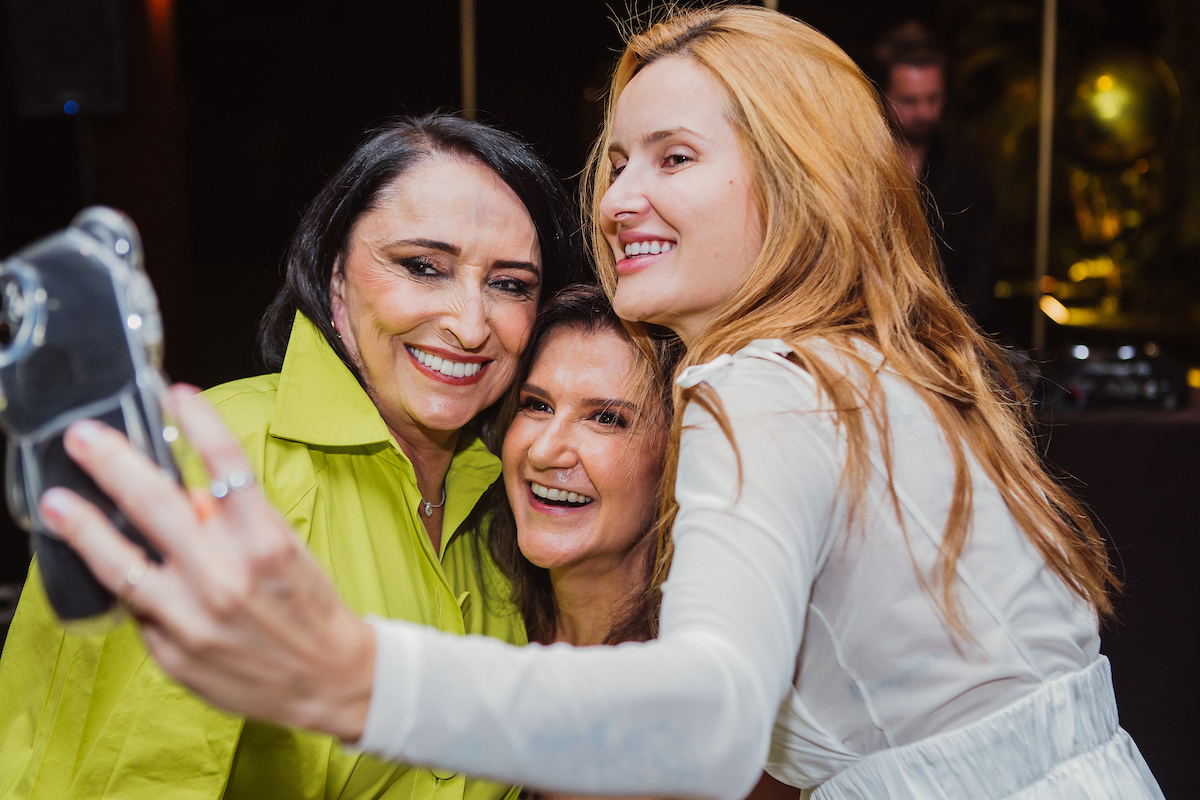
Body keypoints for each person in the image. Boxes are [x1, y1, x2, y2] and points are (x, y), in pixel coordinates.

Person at [35, 7, 1164, 800]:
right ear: (333, 279)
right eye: (618, 159)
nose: (622, 195)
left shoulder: (757, 385)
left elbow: (709, 721)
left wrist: (349, 670)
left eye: (674, 156)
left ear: (799, 178)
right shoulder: (878, 367)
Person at [0, 114, 580, 800]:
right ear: (337, 280)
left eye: (510, 284)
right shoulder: (212, 464)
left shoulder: (509, 507)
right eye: (423, 267)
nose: (471, 323)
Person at [875, 21, 999, 328]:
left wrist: (964, 323)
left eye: (934, 99)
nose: (925, 113)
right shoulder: (862, 161)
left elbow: (984, 257)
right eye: (909, 101)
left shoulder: (966, 164)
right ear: (882, 94)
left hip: (950, 331)